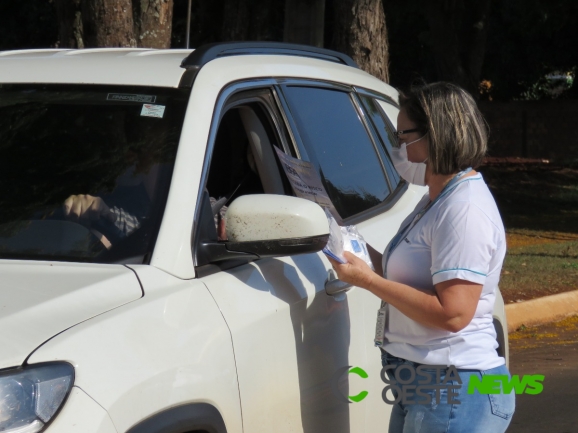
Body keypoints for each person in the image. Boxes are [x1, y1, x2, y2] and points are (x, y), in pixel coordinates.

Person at [327, 82, 515, 433]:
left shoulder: (464, 210)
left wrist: (368, 281)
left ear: (436, 136)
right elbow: (405, 274)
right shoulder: (437, 199)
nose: (398, 147)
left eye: (403, 136)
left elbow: (453, 313)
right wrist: (344, 242)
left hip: (454, 388)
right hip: (426, 387)